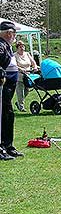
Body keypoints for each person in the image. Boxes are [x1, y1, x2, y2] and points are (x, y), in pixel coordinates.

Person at [0, 21, 24, 160]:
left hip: (9, 86)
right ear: (9, 33)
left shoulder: (6, 46)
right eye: (14, 33)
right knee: (3, 116)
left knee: (8, 115)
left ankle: (8, 146)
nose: (15, 36)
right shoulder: (1, 45)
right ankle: (2, 147)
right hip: (3, 85)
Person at [14, 40, 38, 112]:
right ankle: (21, 107)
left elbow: (33, 62)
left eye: (23, 46)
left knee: (27, 90)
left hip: (28, 75)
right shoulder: (14, 55)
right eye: (20, 46)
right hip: (19, 76)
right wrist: (21, 69)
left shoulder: (27, 54)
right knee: (20, 92)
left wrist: (35, 67)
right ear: (17, 48)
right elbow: (14, 65)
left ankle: (18, 103)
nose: (22, 48)